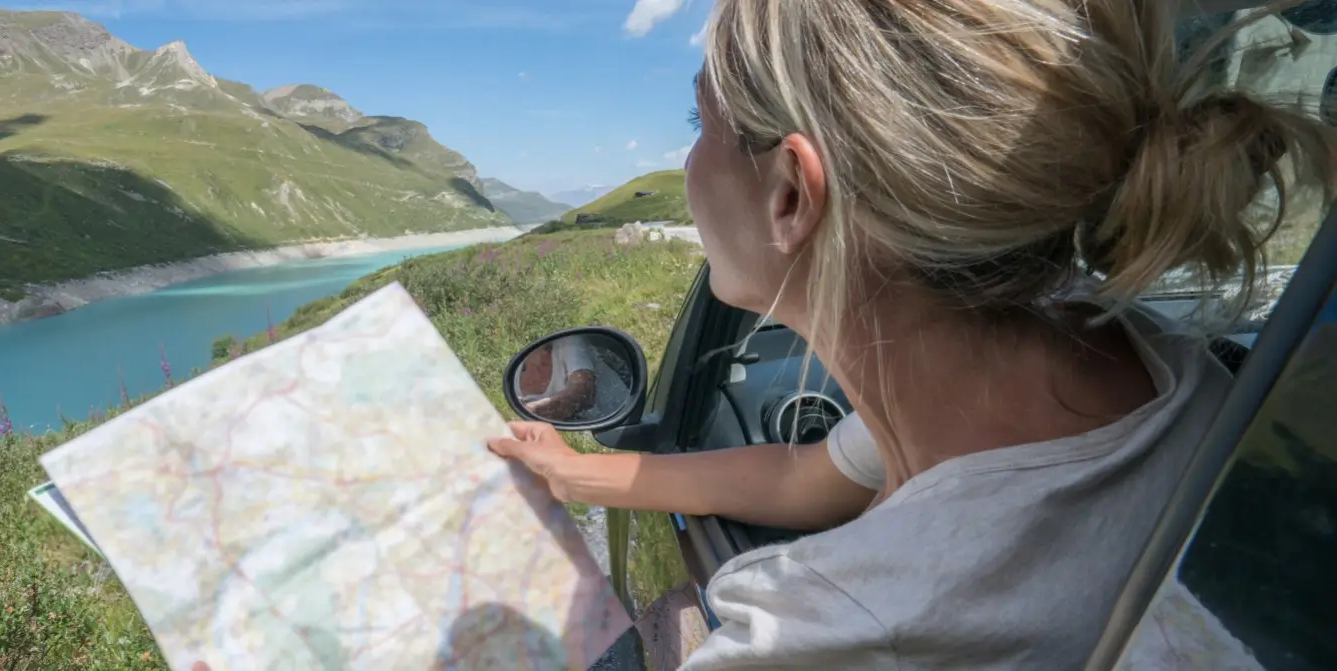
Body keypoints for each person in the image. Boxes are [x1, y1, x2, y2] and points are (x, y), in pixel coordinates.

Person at [487, 1, 1336, 668]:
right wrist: (577, 473)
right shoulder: (1127, 352)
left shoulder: (837, 624)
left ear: (790, 195)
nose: (686, 167)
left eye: (696, 122)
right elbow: (809, 477)